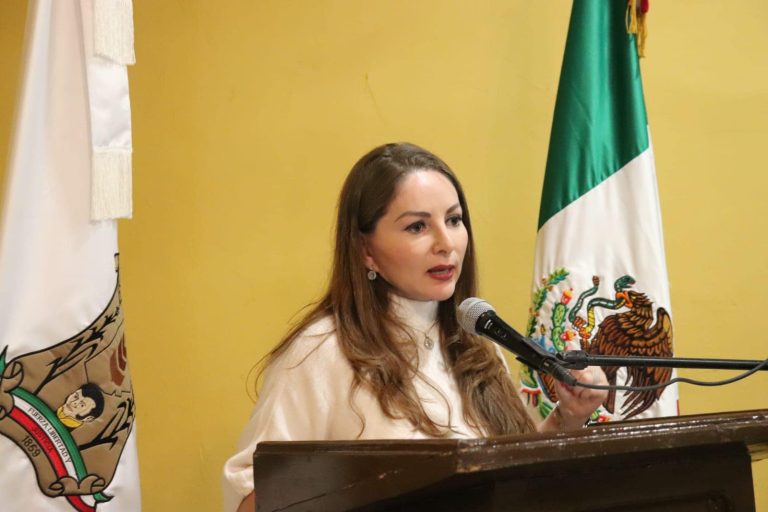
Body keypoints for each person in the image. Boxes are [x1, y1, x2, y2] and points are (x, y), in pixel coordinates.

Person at [222, 143, 607, 512]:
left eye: (454, 220)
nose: (446, 243)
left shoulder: (478, 344)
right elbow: (252, 498)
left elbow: (502, 485)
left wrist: (566, 418)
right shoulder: (323, 351)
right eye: (417, 227)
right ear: (365, 250)